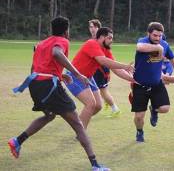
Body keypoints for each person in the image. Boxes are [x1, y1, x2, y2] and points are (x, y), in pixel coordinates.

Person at [8, 16, 110, 171]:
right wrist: (76, 74)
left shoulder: (42, 43)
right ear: (66, 30)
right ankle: (96, 165)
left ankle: (17, 141)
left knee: (49, 115)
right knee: (78, 124)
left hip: (35, 84)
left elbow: (37, 65)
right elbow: (56, 53)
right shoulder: (62, 41)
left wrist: (60, 75)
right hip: (49, 86)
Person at [65, 27, 135, 129]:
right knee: (90, 104)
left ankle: (78, 122)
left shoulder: (105, 50)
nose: (111, 41)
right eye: (109, 38)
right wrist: (125, 66)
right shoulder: (91, 43)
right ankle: (80, 132)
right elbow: (103, 61)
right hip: (74, 76)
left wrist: (133, 79)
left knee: (98, 106)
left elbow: (116, 69)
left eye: (112, 38)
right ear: (101, 37)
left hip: (88, 77)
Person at [131, 22, 174, 142]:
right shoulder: (143, 41)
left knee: (165, 108)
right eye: (155, 35)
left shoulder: (165, 44)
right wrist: (157, 48)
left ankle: (154, 110)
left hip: (156, 84)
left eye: (160, 36)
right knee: (139, 117)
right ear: (148, 33)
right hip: (140, 85)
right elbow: (139, 47)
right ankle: (139, 131)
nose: (158, 38)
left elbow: (173, 59)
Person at [89, 19, 120, 117]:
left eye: (93, 27)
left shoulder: (102, 41)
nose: (91, 29)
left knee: (102, 91)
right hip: (95, 69)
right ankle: (106, 102)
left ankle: (115, 108)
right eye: (90, 27)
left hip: (101, 70)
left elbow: (108, 58)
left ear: (98, 28)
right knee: (99, 90)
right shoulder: (92, 40)